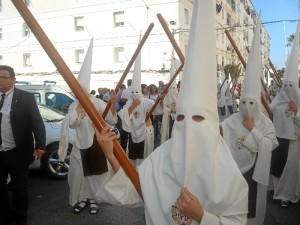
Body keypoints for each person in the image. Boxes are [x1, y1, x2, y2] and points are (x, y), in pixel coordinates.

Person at [95, 1, 248, 224]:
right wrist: (110, 153)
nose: (188, 126)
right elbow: (133, 192)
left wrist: (201, 216)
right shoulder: (161, 158)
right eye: (181, 118)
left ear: (212, 122)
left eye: (198, 118)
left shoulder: (228, 173)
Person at [220, 18, 278, 225]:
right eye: (243, 102)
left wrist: (254, 131)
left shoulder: (265, 123)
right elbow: (219, 131)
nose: (246, 107)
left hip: (255, 173)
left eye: (251, 102)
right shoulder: (233, 118)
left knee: (252, 212)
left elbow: (271, 144)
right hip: (234, 171)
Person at [58, 39, 118, 215]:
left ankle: (94, 200)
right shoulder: (74, 104)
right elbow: (72, 123)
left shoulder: (97, 101)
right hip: (79, 145)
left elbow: (111, 120)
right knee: (78, 175)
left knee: (95, 176)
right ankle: (81, 199)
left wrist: (112, 103)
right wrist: (78, 106)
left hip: (96, 144)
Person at [0, 65, 46, 225]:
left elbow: (37, 122)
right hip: (0, 152)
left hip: (17, 152)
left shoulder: (25, 97)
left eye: (3, 77)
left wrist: (41, 145)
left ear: (13, 80)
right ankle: (5, 214)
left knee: (20, 188)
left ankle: (20, 218)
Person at [270, 24, 300, 208]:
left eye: (292, 87)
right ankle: (276, 190)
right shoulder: (278, 100)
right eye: (285, 86)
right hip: (279, 139)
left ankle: (286, 195)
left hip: (295, 141)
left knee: (290, 171)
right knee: (277, 168)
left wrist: (296, 111)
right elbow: (272, 110)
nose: (288, 90)